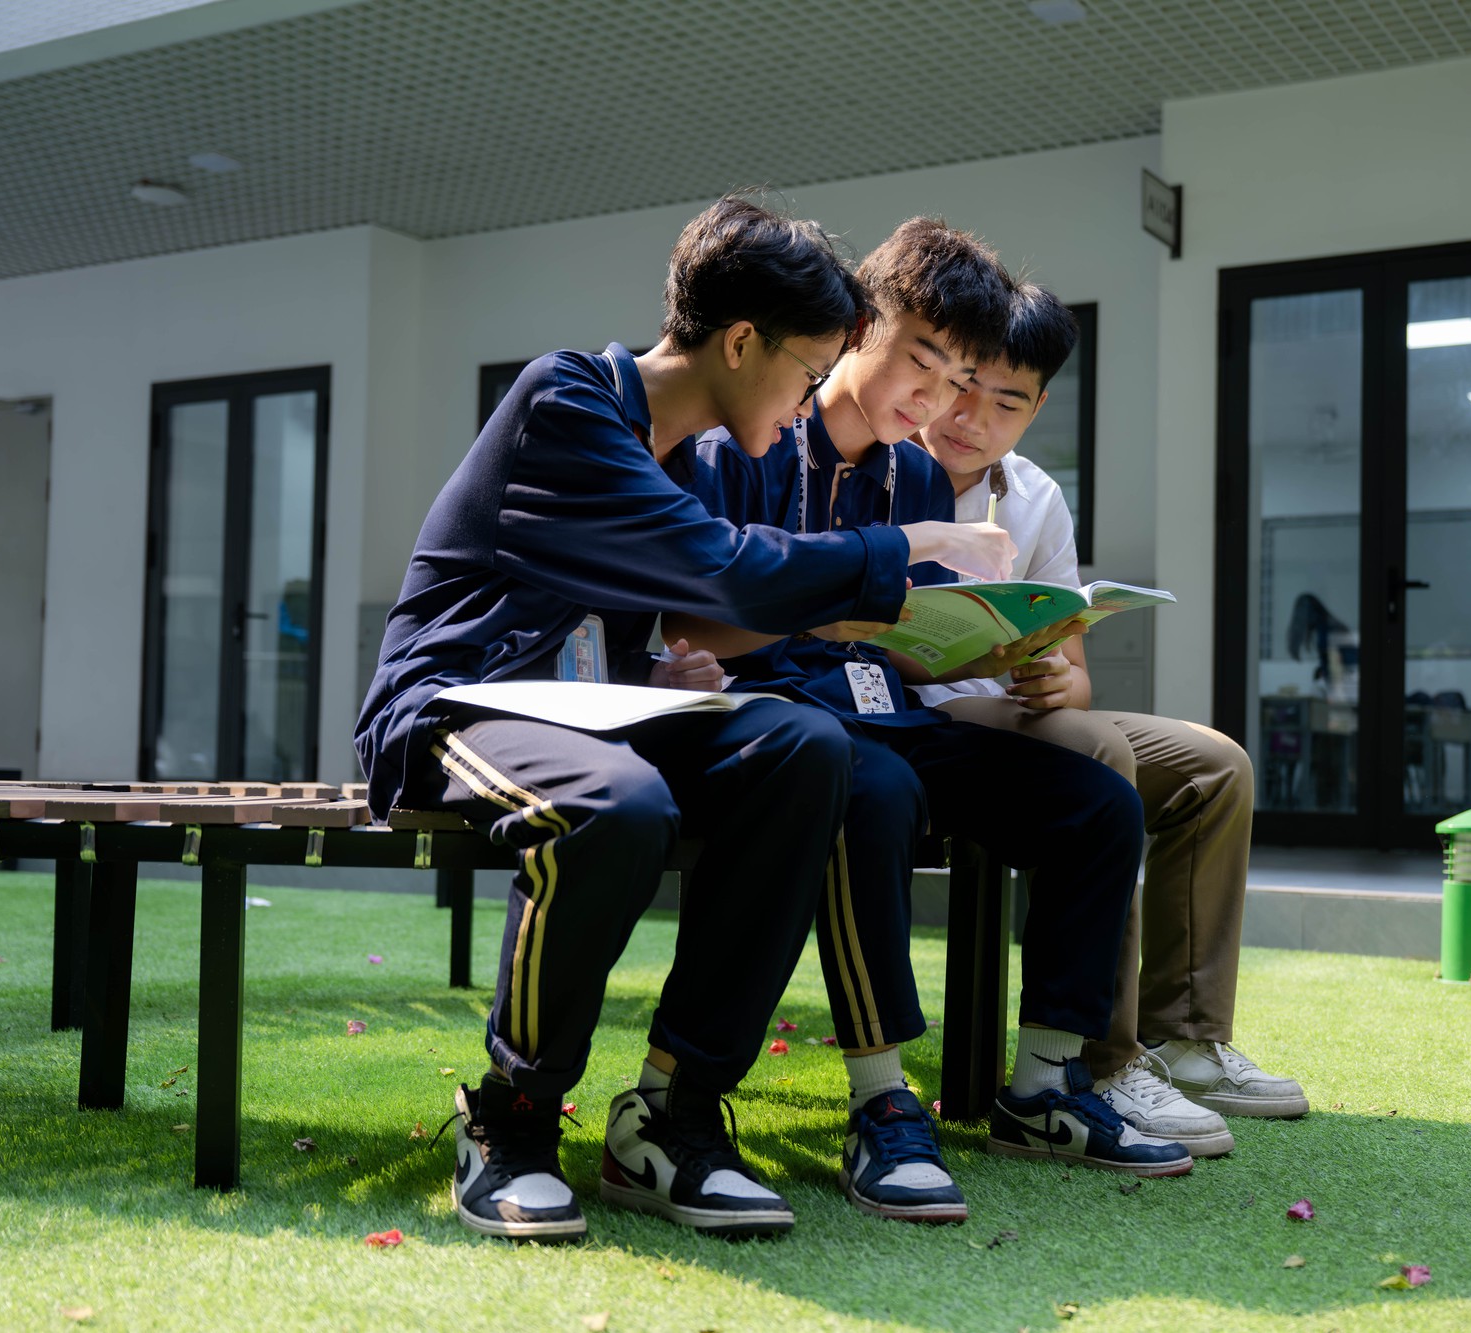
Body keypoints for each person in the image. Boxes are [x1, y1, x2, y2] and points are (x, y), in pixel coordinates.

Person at [354, 197, 1016, 1243]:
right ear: (741, 343)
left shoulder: (673, 448)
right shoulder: (567, 397)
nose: (809, 403)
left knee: (805, 746)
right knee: (615, 804)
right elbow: (723, 568)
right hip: (456, 704)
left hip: (592, 710)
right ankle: (512, 1115)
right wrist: (913, 546)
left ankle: (673, 1110)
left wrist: (662, 668)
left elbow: (656, 602)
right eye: (808, 372)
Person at [668, 219, 1192, 1227]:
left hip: (888, 711)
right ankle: (880, 1098)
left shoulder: (912, 475)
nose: (936, 398)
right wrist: (849, 603)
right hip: (779, 724)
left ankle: (1043, 1087)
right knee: (867, 787)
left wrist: (989, 646)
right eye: (922, 360)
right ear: (858, 326)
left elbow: (902, 638)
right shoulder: (745, 442)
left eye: (958, 379)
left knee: (1097, 803)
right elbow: (703, 622)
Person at [910, 282, 1311, 1156]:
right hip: (919, 723)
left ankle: (1187, 1037)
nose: (972, 418)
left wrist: (1054, 679)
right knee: (1096, 755)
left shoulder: (1035, 497)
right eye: (963, 387)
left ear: (1037, 408)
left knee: (1216, 765)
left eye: (1007, 402)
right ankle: (1103, 1058)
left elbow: (1079, 679)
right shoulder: (882, 468)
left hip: (1011, 717)